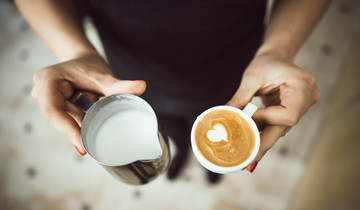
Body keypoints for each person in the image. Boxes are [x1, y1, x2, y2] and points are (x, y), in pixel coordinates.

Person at [15, 0, 328, 183]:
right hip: (130, 75)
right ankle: (180, 147)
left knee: (215, 117)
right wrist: (74, 50)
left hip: (237, 68)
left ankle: (212, 165)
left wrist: (278, 49)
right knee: (166, 124)